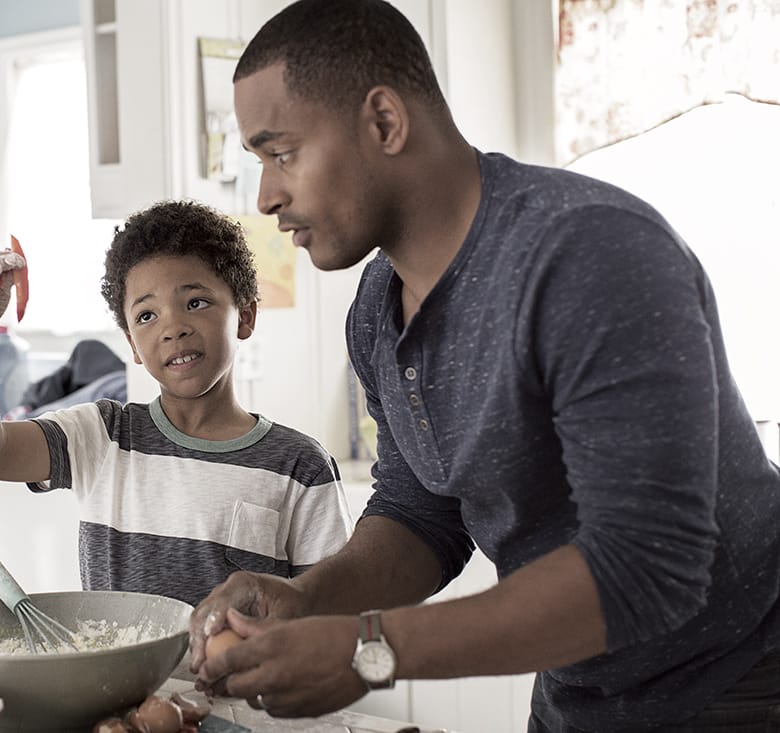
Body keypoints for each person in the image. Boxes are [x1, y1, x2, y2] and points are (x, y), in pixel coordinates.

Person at [187, 1, 780, 731]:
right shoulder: (377, 307)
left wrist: (368, 647)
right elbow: (421, 512)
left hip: (742, 684)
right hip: (578, 698)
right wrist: (311, 598)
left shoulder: (588, 253)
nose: (267, 196)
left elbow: (647, 569)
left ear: (384, 122)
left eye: (282, 154)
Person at [0, 199, 353, 607]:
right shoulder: (102, 436)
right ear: (132, 346)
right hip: (120, 674)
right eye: (146, 316)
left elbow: (331, 613)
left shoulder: (300, 466)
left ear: (244, 316)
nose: (173, 328)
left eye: (195, 303)